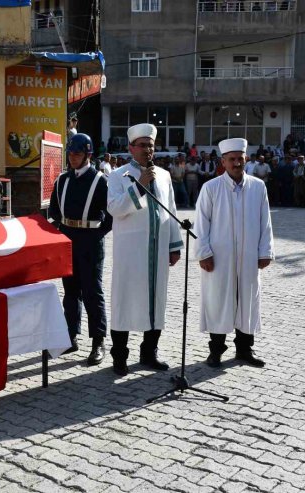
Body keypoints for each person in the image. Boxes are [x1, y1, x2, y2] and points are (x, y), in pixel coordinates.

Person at [106, 123, 183, 376]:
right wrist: (139, 185)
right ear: (131, 148)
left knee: (156, 299)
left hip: (158, 250)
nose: (147, 150)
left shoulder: (163, 175)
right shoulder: (118, 176)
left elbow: (170, 211)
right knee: (125, 301)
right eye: (142, 145)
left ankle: (149, 353)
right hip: (131, 252)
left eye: (150, 145)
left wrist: (174, 245)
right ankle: (119, 357)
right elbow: (115, 208)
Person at [194, 138, 274, 368]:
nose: (237, 163)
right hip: (219, 257)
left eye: (240, 158)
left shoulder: (258, 187)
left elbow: (265, 221)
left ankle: (244, 350)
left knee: (247, 300)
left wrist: (265, 251)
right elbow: (201, 223)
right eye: (232, 159)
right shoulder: (211, 188)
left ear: (246, 159)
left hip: (249, 256)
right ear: (223, 161)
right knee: (220, 300)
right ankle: (216, 351)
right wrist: (204, 252)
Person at [49, 134, 112, 365]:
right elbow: (55, 212)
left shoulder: (100, 181)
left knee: (92, 292)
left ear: (88, 155)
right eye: (70, 153)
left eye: (76, 154)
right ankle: (71, 336)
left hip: (90, 240)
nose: (72, 158)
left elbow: (110, 216)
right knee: (71, 291)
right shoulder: (62, 180)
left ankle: (98, 342)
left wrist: (96, 235)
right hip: (68, 238)